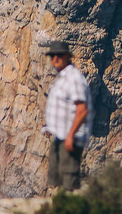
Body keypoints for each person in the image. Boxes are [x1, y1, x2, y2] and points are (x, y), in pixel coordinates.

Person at [42, 41, 93, 192]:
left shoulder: (74, 78)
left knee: (69, 179)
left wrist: (70, 136)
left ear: (67, 57)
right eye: (52, 55)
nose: (55, 58)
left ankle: (71, 207)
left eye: (59, 55)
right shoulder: (62, 77)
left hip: (70, 138)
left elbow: (82, 110)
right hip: (60, 136)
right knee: (55, 177)